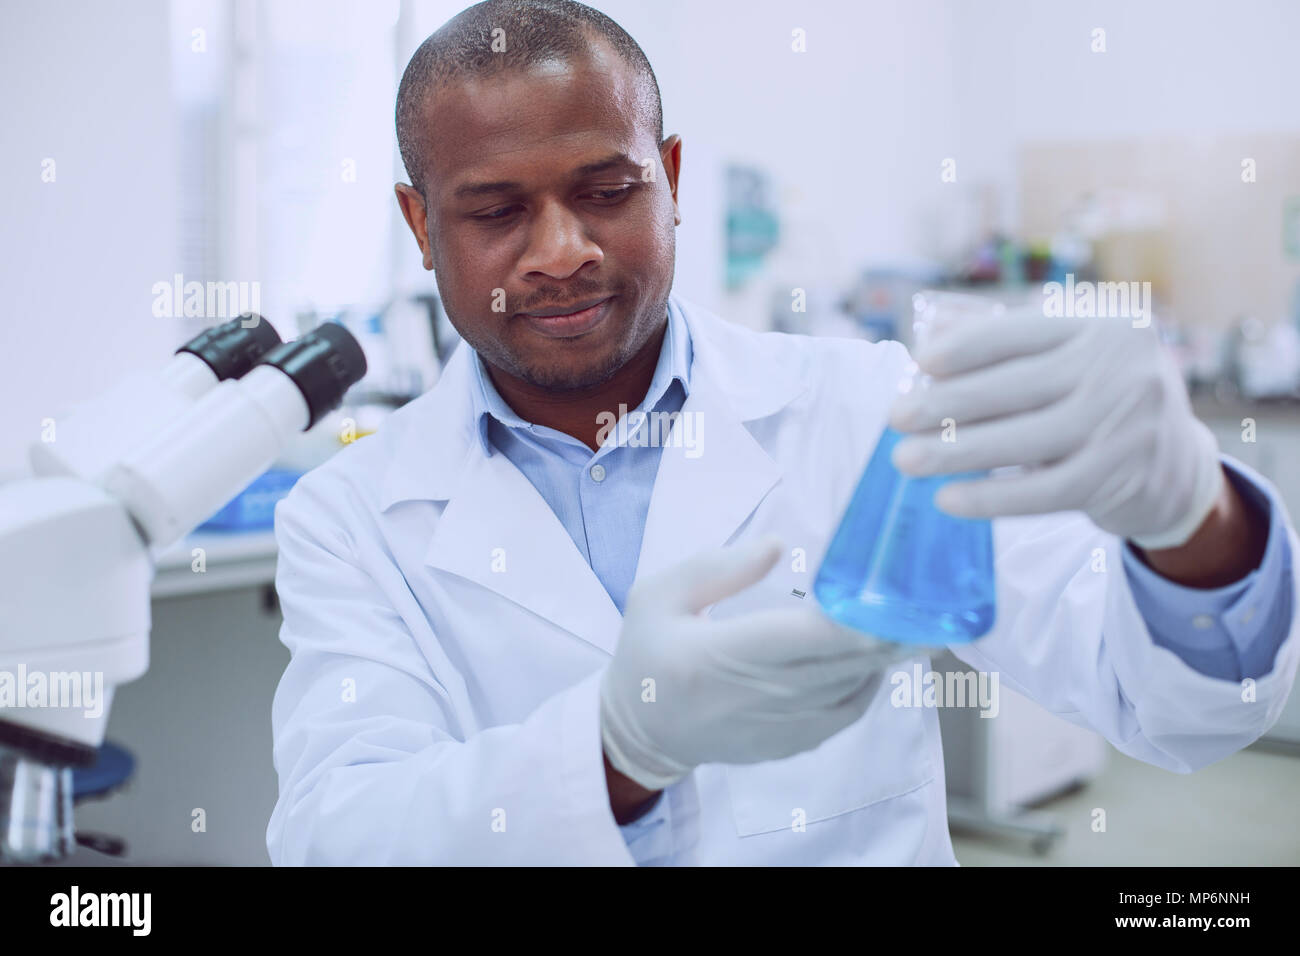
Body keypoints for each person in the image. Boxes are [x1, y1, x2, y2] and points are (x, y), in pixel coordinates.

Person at [266, 0, 1299, 865]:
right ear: (419, 225)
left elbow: (1170, 705)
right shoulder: (350, 516)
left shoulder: (867, 408)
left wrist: (1194, 526)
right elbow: (337, 833)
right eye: (495, 210)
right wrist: (615, 751)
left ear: (668, 174)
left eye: (607, 190)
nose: (561, 251)